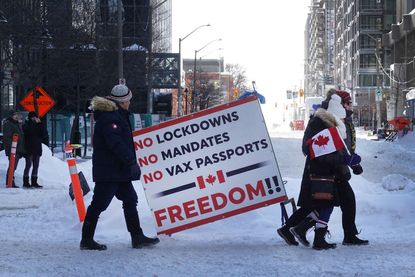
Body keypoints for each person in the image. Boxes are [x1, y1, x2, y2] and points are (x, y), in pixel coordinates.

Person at [80, 84, 160, 251]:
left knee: (130, 199)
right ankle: (86, 240)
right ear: (123, 101)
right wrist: (131, 162)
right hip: (110, 171)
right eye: (129, 100)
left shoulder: (116, 115)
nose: (130, 103)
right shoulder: (111, 117)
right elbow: (115, 143)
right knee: (99, 204)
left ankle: (137, 237)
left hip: (117, 171)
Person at [278, 94, 352, 250]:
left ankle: (296, 230)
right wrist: (343, 160)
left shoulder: (331, 122)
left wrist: (348, 161)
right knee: (321, 203)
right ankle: (306, 234)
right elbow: (315, 149)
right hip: (321, 173)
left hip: (330, 171)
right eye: (348, 103)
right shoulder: (320, 123)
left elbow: (338, 148)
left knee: (320, 204)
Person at [335, 90, 368, 245]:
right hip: (333, 170)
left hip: (339, 168)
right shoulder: (337, 120)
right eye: (348, 103)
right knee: (344, 201)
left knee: (330, 203)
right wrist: (349, 162)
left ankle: (295, 228)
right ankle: (349, 236)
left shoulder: (345, 120)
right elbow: (338, 148)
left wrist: (354, 164)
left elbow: (347, 148)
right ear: (341, 105)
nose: (350, 105)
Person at [22, 111, 49, 189]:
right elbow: (29, 131)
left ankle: (34, 182)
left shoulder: (39, 125)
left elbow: (44, 134)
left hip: (37, 148)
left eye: (36, 117)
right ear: (30, 117)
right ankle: (26, 182)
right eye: (33, 117)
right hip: (28, 148)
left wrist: (40, 124)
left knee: (36, 166)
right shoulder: (26, 124)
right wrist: (36, 124)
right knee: (28, 165)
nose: (35, 118)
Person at [3, 110, 26, 188]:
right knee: (12, 166)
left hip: (17, 149)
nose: (17, 116)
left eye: (18, 115)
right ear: (11, 116)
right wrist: (13, 147)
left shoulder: (16, 124)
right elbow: (7, 138)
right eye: (15, 115)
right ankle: (10, 182)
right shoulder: (8, 124)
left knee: (13, 166)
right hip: (13, 149)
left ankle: (9, 181)